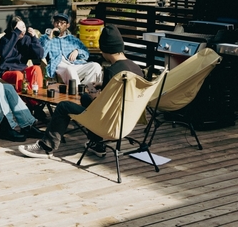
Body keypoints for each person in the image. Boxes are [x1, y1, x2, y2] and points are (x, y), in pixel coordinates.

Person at [18, 24, 144, 159]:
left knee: (64, 106)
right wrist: (102, 86)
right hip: (126, 122)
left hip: (108, 124)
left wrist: (95, 95)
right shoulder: (136, 69)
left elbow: (102, 105)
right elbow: (121, 93)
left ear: (105, 49)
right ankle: (97, 143)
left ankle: (46, 146)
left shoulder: (112, 72)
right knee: (84, 98)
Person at [40, 13, 102, 91]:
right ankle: (78, 95)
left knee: (95, 66)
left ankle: (87, 91)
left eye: (62, 23)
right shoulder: (45, 38)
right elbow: (42, 54)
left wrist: (77, 51)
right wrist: (50, 37)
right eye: (56, 22)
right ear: (53, 23)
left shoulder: (73, 39)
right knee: (70, 69)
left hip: (74, 64)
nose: (58, 25)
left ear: (67, 25)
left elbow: (86, 54)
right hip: (58, 67)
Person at [0, 16, 45, 93]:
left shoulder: (26, 39)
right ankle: (26, 100)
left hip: (22, 70)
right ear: (13, 29)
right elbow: (4, 54)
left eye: (23, 27)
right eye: (19, 28)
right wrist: (15, 34)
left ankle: (38, 98)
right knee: (18, 75)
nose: (22, 30)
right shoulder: (5, 39)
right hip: (5, 71)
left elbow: (40, 55)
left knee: (36, 69)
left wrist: (34, 39)